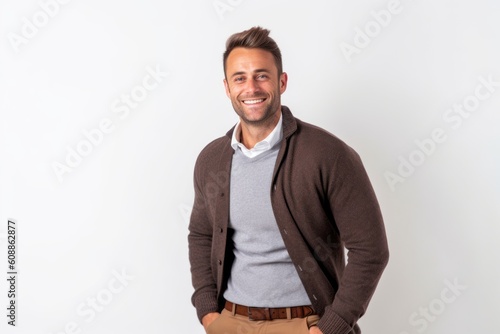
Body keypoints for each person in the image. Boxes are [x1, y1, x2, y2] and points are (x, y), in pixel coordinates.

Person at [188, 26, 389, 334]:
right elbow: (201, 235)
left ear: (282, 81)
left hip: (305, 324)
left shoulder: (328, 154)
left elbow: (370, 249)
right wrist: (208, 312)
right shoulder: (212, 159)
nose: (251, 87)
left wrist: (331, 327)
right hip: (230, 322)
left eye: (262, 75)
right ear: (227, 87)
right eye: (239, 78)